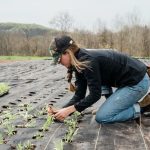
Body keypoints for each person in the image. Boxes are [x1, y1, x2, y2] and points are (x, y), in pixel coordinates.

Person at [47, 35, 150, 124]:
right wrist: (61, 110)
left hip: (137, 82)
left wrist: (69, 110)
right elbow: (79, 95)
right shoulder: (79, 61)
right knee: (100, 85)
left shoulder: (88, 62)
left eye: (59, 60)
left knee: (103, 117)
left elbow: (95, 95)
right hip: (127, 81)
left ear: (67, 52)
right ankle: (111, 106)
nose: (60, 63)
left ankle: (143, 107)